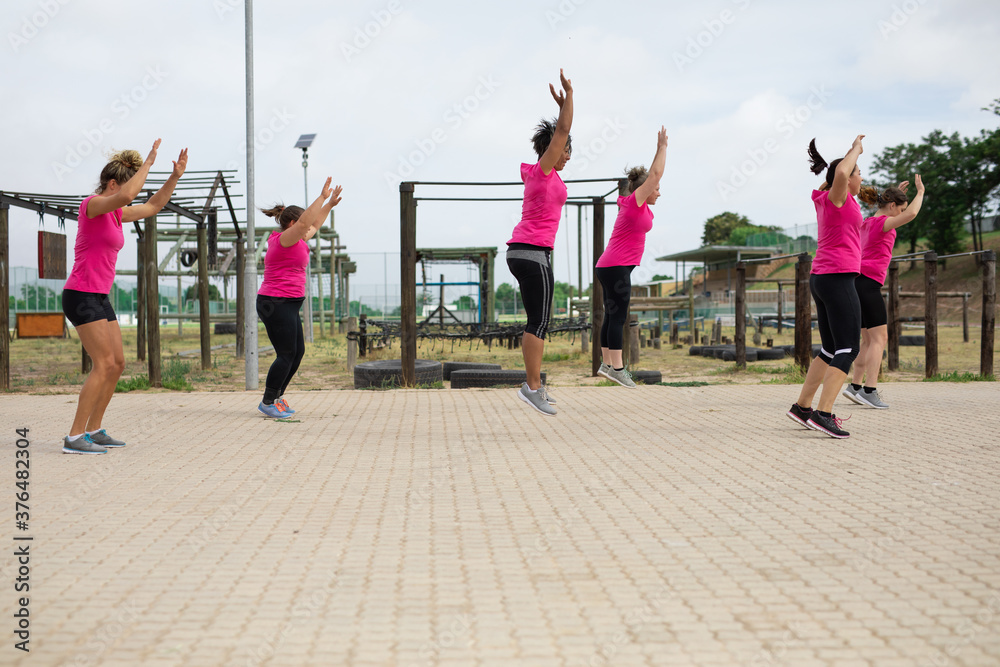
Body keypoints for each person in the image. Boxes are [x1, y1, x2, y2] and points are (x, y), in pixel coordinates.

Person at [62, 140, 188, 454]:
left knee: (117, 364)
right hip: (80, 294)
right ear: (113, 184)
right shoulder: (91, 205)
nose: (128, 191)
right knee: (102, 363)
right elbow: (131, 194)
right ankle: (75, 437)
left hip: (99, 296)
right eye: (126, 183)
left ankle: (94, 430)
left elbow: (153, 206)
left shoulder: (117, 214)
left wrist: (174, 177)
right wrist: (149, 162)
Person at [786, 135, 865, 438]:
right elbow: (842, 174)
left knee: (831, 349)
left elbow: (838, 173)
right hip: (837, 277)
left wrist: (848, 153)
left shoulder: (826, 197)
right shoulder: (837, 197)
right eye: (859, 172)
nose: (859, 177)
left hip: (823, 278)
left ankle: (803, 407)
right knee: (849, 348)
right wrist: (855, 150)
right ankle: (824, 413)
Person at [506, 68, 573, 417]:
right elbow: (561, 132)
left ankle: (534, 385)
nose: (566, 157)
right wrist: (569, 100)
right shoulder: (543, 170)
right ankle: (532, 388)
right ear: (551, 151)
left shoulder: (541, 175)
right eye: (564, 152)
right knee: (539, 322)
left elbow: (562, 134)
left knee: (537, 320)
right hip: (532, 253)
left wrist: (564, 110)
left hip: (523, 252)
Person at [256, 177, 343, 418]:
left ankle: (276, 397)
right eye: (301, 224)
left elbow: (313, 224)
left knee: (298, 352)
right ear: (292, 223)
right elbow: (307, 221)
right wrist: (322, 196)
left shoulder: (299, 238)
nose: (307, 228)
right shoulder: (284, 239)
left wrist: (329, 206)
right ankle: (267, 402)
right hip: (275, 303)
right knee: (286, 354)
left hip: (289, 304)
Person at [595, 127, 668, 388]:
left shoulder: (639, 205)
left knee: (611, 314)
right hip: (616, 267)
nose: (659, 192)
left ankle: (606, 364)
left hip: (612, 266)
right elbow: (655, 174)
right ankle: (618, 368)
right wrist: (662, 148)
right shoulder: (634, 202)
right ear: (644, 190)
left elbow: (652, 177)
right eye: (656, 189)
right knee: (618, 317)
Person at [843, 175, 925, 409]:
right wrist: (920, 193)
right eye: (900, 207)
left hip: (857, 282)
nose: (902, 212)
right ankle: (870, 391)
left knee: (867, 340)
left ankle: (855, 387)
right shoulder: (882, 224)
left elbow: (898, 211)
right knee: (880, 339)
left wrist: (897, 193)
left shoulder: (867, 222)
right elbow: (910, 215)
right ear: (892, 206)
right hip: (868, 284)